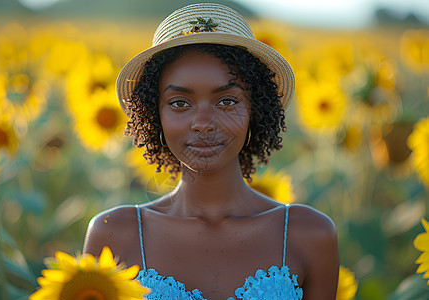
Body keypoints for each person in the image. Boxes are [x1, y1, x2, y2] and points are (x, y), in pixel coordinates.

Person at [83, 3, 339, 299]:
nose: (203, 123)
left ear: (255, 109)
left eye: (227, 101)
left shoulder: (308, 234)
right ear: (156, 116)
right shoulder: (114, 234)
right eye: (180, 103)